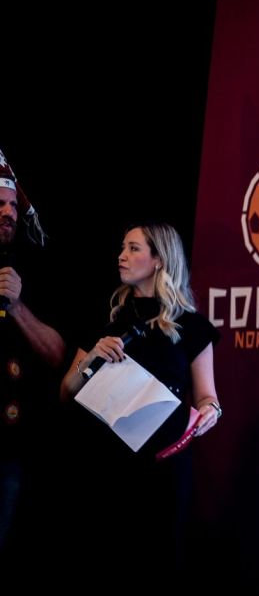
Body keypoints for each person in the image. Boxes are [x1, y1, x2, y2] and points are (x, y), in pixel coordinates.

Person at [59, 222, 221, 588]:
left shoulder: (192, 327)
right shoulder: (108, 318)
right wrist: (91, 359)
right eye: (122, 247)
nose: (122, 256)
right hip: (104, 466)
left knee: (158, 561)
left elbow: (207, 397)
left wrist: (212, 411)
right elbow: (66, 392)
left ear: (159, 259)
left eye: (133, 249)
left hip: (163, 468)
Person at [0, 148, 65, 554]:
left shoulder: (35, 270)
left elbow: (59, 355)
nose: (8, 212)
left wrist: (17, 306)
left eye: (12, 205)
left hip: (13, 451)